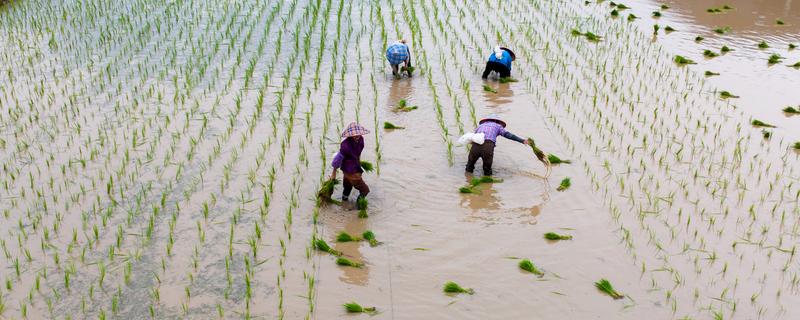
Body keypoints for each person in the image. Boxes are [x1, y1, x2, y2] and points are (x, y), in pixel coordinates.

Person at [465, 114, 532, 176]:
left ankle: (467, 179)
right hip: (488, 146)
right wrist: (522, 140)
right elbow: (508, 135)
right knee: (487, 169)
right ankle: (487, 183)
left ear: (487, 120)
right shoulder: (497, 126)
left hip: (475, 146)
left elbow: (473, 137)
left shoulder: (480, 126)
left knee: (469, 166)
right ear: (496, 121)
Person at [331, 122, 371, 202]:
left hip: (352, 167)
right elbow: (337, 160)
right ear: (350, 135)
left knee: (347, 187)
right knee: (365, 190)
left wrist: (358, 162)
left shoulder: (361, 140)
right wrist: (334, 173)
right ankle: (359, 206)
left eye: (358, 133)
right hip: (350, 171)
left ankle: (344, 202)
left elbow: (358, 153)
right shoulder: (345, 145)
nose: (357, 135)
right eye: (354, 134)